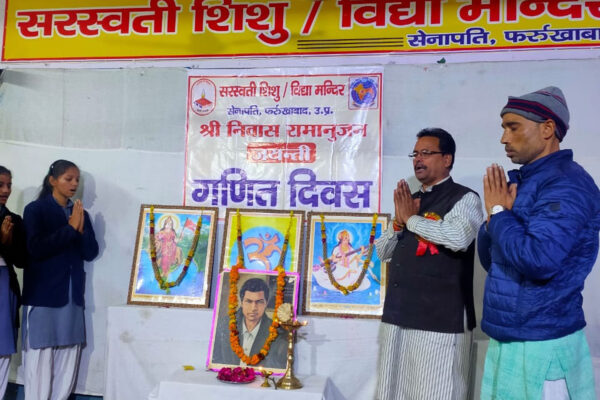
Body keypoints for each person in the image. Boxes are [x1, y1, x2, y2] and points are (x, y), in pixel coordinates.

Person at [478, 86, 599, 399]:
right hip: (511, 335)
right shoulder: (523, 182)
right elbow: (494, 261)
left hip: (543, 341)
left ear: (547, 129)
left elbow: (539, 260)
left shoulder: (566, 184)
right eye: (503, 128)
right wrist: (495, 218)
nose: (503, 138)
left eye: (513, 127)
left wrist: (498, 213)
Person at [375, 128, 483, 400]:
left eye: (426, 153)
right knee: (393, 391)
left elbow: (459, 237)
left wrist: (411, 220)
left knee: (435, 392)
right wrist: (398, 223)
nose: (418, 159)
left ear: (447, 159)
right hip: (398, 316)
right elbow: (382, 252)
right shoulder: (410, 200)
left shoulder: (465, 198)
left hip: (440, 320)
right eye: (415, 154)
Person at [21, 160, 99, 400]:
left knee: (68, 354)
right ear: (52, 180)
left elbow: (90, 252)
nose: (74, 184)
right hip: (44, 295)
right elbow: (35, 249)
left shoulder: (80, 213)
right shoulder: (36, 210)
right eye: (68, 179)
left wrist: (80, 230)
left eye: (77, 180)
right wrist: (69, 229)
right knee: (40, 356)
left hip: (72, 296)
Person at [212, 277, 287, 370]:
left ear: (266, 303)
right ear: (241, 302)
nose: (253, 308)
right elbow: (215, 361)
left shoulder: (278, 333)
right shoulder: (223, 325)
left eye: (259, 302)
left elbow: (276, 367)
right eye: (248, 301)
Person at [0, 166, 27, 399]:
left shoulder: (14, 220)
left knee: (2, 348)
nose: (6, 190)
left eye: (9, 185)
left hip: (4, 285)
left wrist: (7, 243)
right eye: (0, 185)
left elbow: (22, 260)